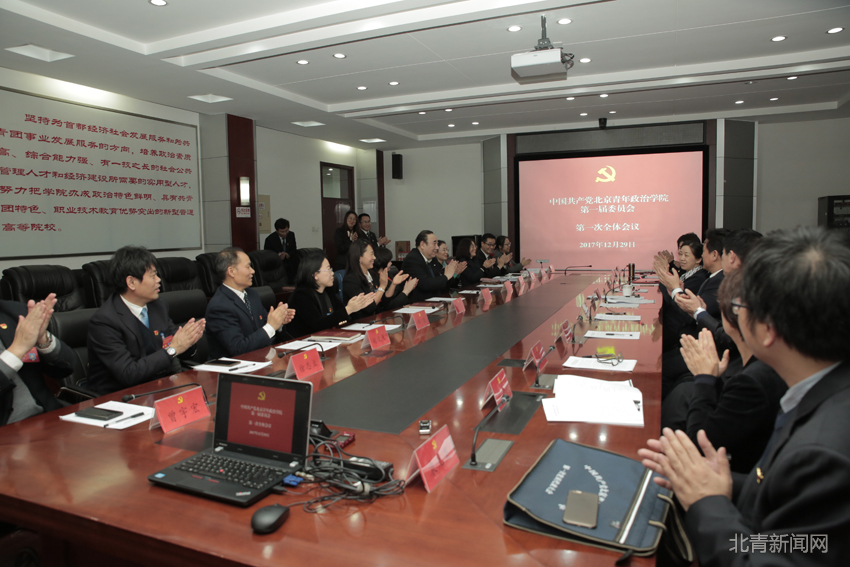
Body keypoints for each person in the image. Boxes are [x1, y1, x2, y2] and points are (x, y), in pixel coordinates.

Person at [639, 226, 850, 567]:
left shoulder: (823, 455)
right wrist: (707, 477)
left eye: (738, 306)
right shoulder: (820, 391)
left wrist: (707, 501)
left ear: (768, 330)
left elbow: (768, 556)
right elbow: (775, 489)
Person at [661, 269, 787, 474]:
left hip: (725, 475)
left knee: (680, 397)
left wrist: (705, 378)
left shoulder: (755, 380)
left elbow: (701, 442)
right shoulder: (764, 361)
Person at [87, 246, 205, 396]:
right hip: (120, 397)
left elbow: (174, 343)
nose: (159, 280)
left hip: (159, 386)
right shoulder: (104, 322)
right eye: (153, 275)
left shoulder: (158, 306)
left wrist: (189, 341)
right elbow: (128, 373)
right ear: (131, 282)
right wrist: (173, 349)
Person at [205, 247, 295, 360]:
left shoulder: (252, 295)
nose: (253, 271)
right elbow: (238, 349)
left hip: (260, 358)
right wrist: (271, 326)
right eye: (248, 267)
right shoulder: (219, 306)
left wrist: (279, 323)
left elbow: (265, 330)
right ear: (231, 271)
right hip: (233, 367)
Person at [0, 293, 75, 426]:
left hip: (48, 416)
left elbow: (65, 367)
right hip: (9, 428)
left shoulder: (14, 311)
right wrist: (17, 349)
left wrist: (43, 340)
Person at [286, 250, 375, 338]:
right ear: (316, 275)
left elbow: (342, 316)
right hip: (305, 343)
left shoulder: (328, 291)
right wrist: (348, 309)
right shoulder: (301, 295)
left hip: (329, 338)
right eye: (328, 269)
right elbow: (318, 325)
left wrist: (357, 306)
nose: (332, 273)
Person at [342, 240, 417, 320]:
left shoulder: (373, 274)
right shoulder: (350, 280)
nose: (374, 257)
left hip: (378, 319)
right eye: (371, 254)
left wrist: (393, 284)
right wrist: (382, 286)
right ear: (359, 257)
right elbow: (369, 308)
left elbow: (385, 302)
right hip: (362, 322)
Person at [401, 230, 463, 303]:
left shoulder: (432, 259)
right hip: (419, 303)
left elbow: (440, 282)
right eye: (434, 243)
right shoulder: (412, 259)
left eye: (437, 244)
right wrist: (446, 276)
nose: (437, 247)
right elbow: (425, 284)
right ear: (422, 245)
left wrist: (453, 274)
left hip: (435, 300)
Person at [263, 218, 298, 283]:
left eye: (286, 231)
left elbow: (294, 249)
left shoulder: (291, 235)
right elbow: (267, 255)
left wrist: (288, 254)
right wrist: (278, 256)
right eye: (282, 232)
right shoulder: (270, 239)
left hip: (290, 263)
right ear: (277, 231)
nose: (285, 233)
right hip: (277, 265)